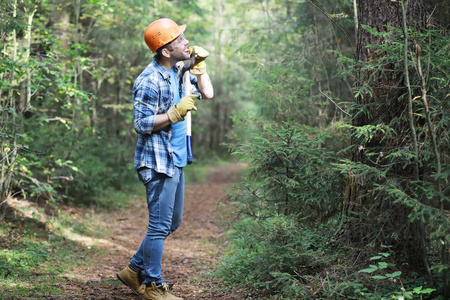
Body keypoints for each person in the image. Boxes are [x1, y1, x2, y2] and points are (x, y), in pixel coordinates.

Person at [116, 18, 213, 300]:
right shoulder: (149, 80)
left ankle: (133, 270)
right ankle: (153, 286)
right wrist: (172, 114)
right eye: (180, 40)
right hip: (157, 161)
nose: (187, 42)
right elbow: (141, 123)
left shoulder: (179, 72)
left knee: (172, 223)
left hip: (176, 158)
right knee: (159, 226)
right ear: (166, 51)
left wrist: (201, 67)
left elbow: (207, 93)